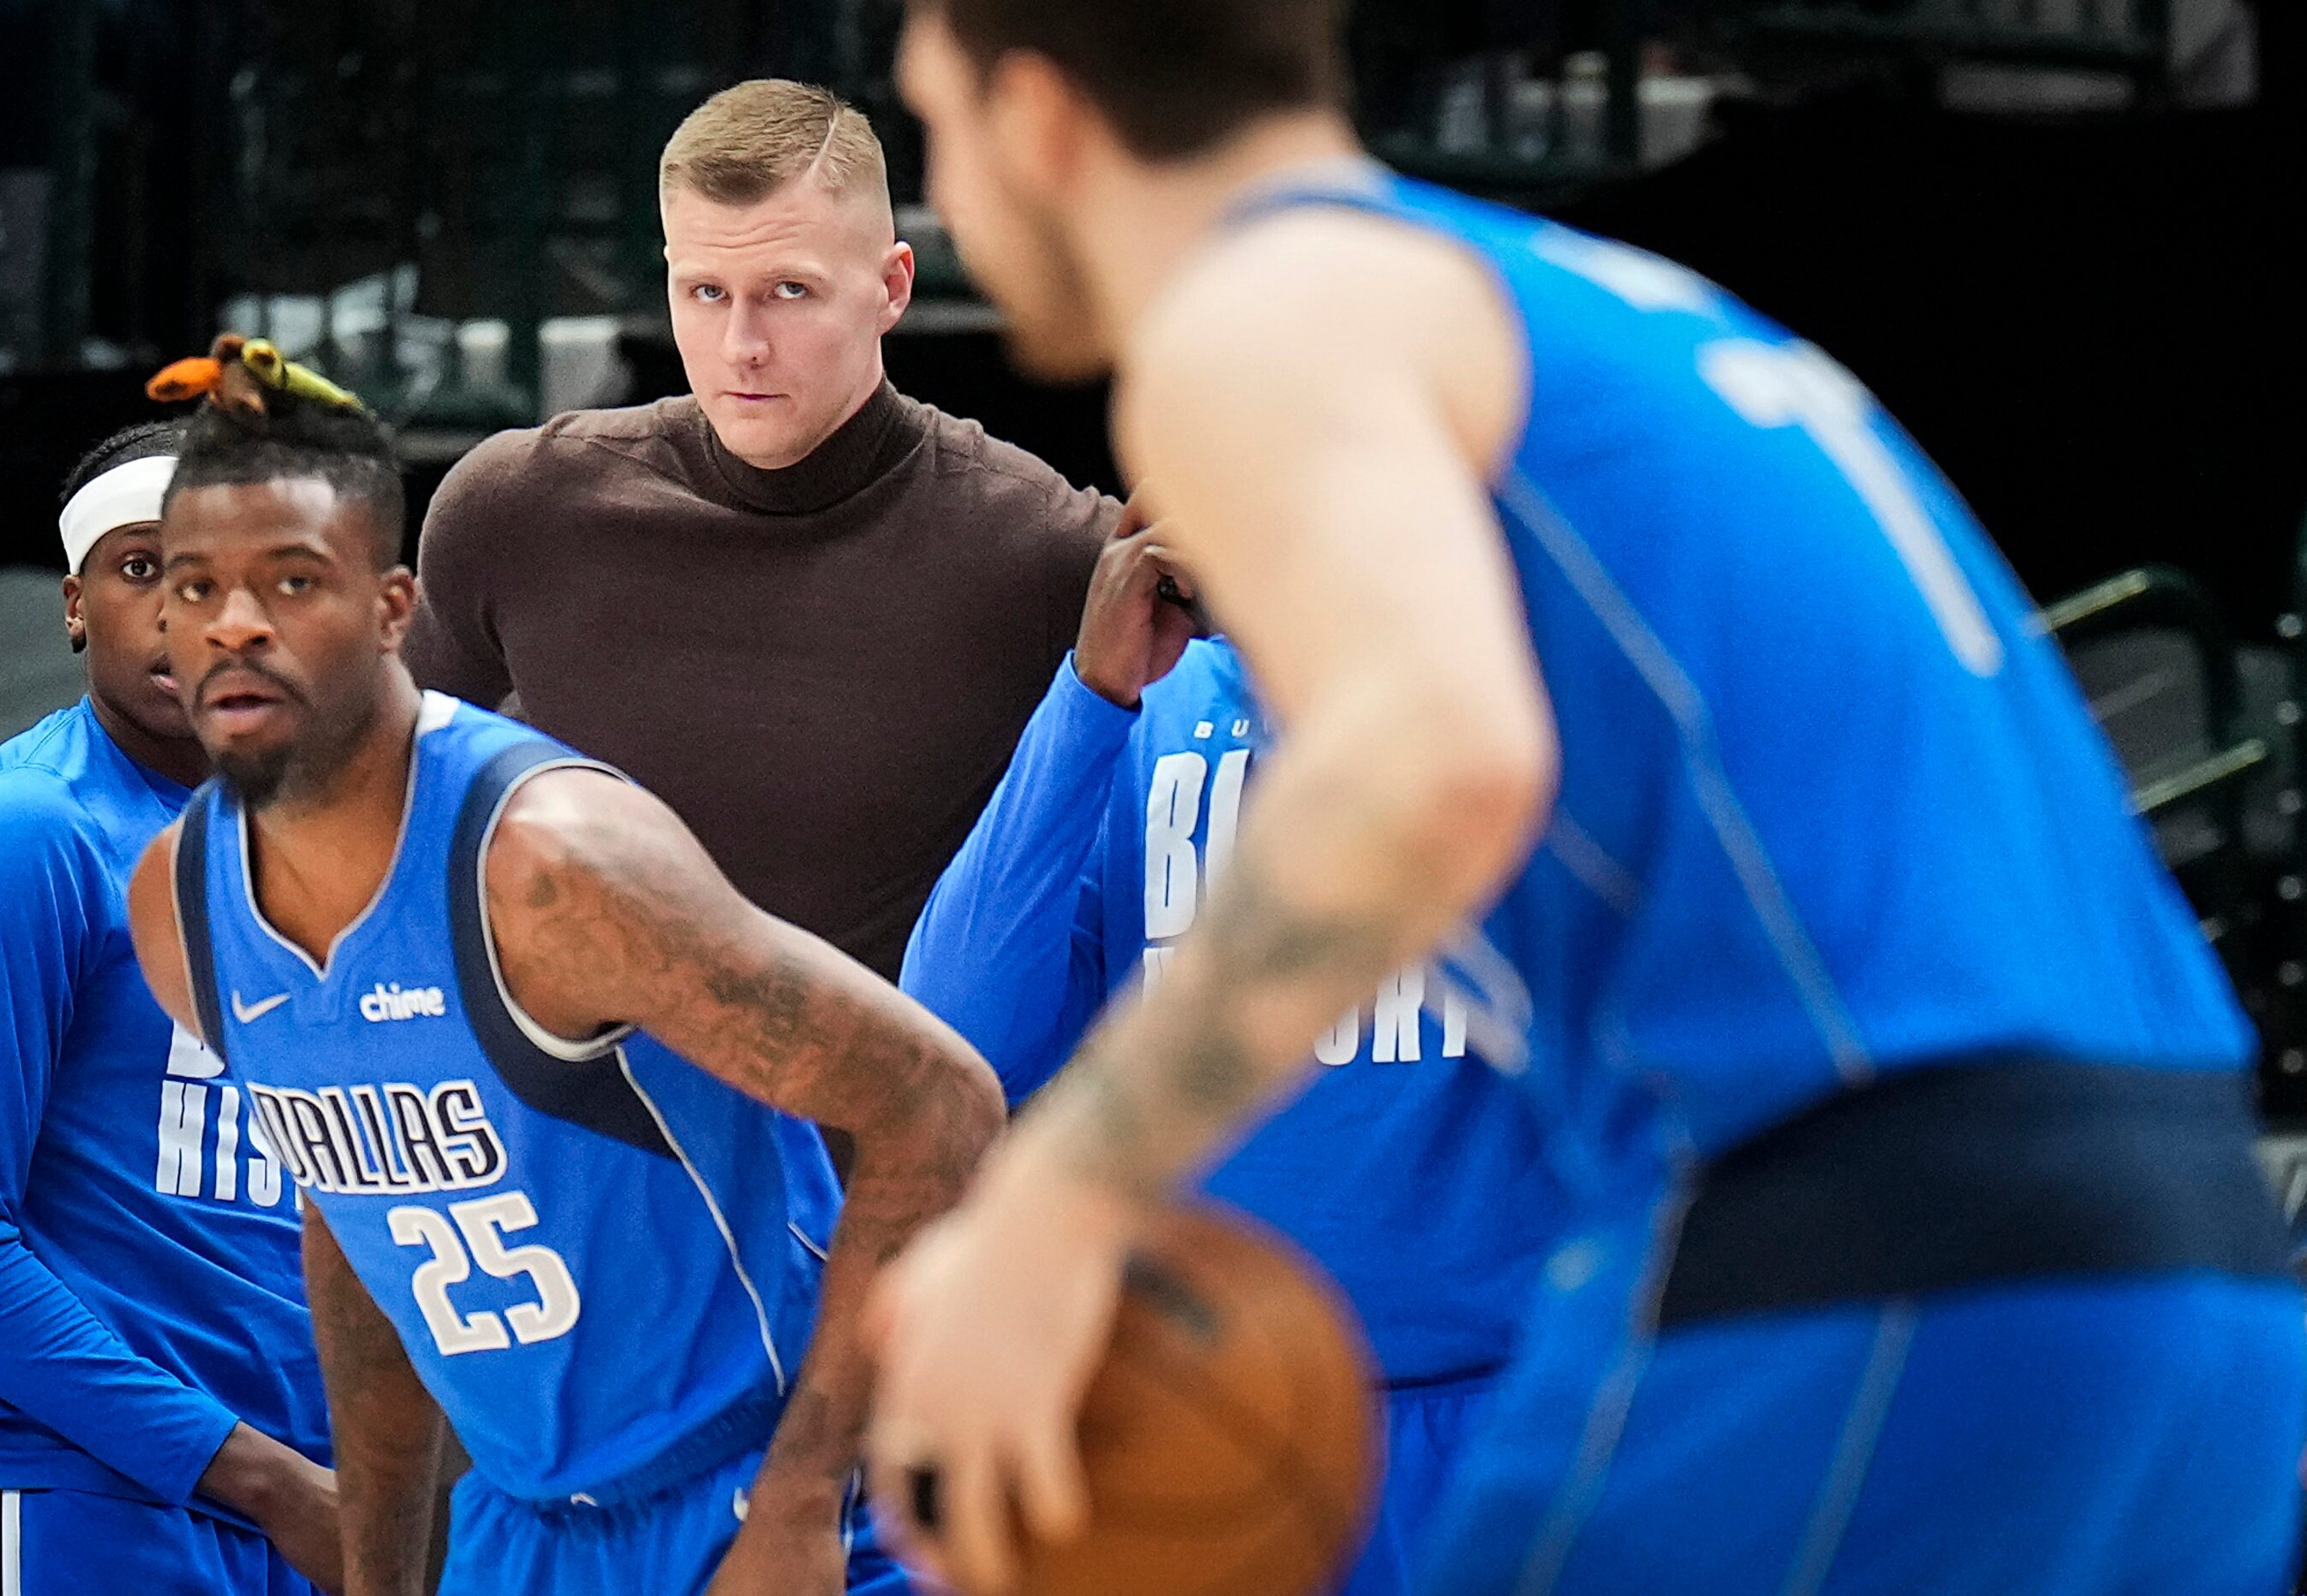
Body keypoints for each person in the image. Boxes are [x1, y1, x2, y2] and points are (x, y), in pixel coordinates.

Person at [867, 3, 2307, 1593]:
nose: (951, 182)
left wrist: (1059, 1198)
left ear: (1039, 118)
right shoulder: (1599, 309)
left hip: (1871, 1243)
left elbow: (1436, 757)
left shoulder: (1262, 306)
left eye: (932, 119)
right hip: (2187, 1254)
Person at [124, 365, 1005, 1596]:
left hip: (769, 1485)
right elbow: (355, 1220)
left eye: (289, 580)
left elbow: (939, 1099)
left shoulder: (552, 867)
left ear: (391, 608)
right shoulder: (181, 904)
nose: (234, 625)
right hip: (524, 1521)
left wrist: (802, 1499)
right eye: (194, 586)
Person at [898, 512, 1568, 1594]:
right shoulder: (1153, 713)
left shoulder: (1511, 707)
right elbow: (953, 1038)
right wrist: (1090, 695)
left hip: (1499, 1403)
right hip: (1201, 1400)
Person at [406, 77, 1118, 984]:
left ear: (892, 286)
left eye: (788, 290)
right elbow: (381, 820)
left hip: (900, 1114)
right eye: (705, 290)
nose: (741, 343)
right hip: (585, 1118)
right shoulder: (516, 511)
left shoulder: (1036, 547)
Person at [0, 422, 338, 1593]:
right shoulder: (28, 834)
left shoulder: (340, 850)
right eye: (145, 569)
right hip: (73, 1492)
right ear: (73, 604)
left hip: (307, 1502)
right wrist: (261, 1476)